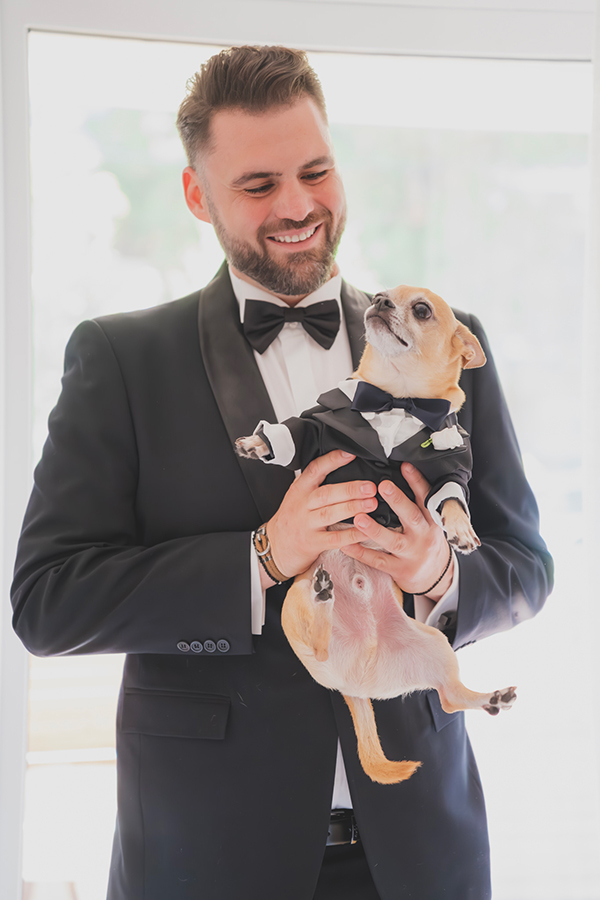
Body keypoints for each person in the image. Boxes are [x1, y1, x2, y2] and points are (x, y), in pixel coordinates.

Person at [11, 45, 553, 900]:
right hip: (206, 858)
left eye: (316, 171)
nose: (299, 206)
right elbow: (48, 601)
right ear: (198, 195)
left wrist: (442, 575)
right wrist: (260, 560)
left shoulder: (448, 340)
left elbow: (527, 568)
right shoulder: (120, 359)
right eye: (259, 185)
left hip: (419, 856)